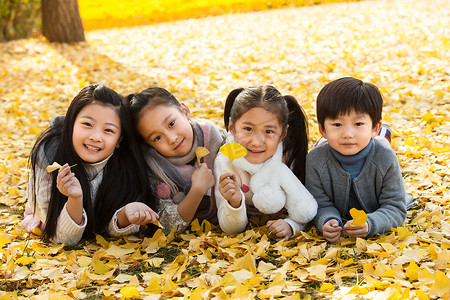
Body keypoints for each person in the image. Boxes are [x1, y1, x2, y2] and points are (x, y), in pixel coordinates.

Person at [22, 85, 159, 246]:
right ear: (71, 123)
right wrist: (75, 198)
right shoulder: (48, 162)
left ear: (119, 140)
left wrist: (125, 215)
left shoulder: (124, 165)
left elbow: (107, 228)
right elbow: (63, 238)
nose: (95, 137)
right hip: (52, 217)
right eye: (87, 124)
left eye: (108, 130)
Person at [305, 77, 408, 244]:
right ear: (322, 129)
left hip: (374, 206)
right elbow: (318, 203)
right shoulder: (315, 160)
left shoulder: (385, 158)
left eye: (358, 123)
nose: (348, 134)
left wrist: (371, 223)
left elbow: (395, 207)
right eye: (337, 124)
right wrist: (326, 219)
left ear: (375, 128)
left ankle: (384, 135)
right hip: (324, 152)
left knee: (382, 148)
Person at [215, 85, 317, 240]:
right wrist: (234, 203)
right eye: (248, 128)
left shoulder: (286, 157)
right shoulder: (226, 161)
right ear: (232, 127)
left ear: (283, 133)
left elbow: (302, 208)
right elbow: (230, 229)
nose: (257, 142)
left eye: (269, 131)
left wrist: (291, 225)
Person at [126, 87, 226, 234]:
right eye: (157, 138)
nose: (172, 139)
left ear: (185, 111)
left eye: (171, 124)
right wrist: (197, 190)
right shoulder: (156, 168)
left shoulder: (215, 138)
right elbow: (166, 224)